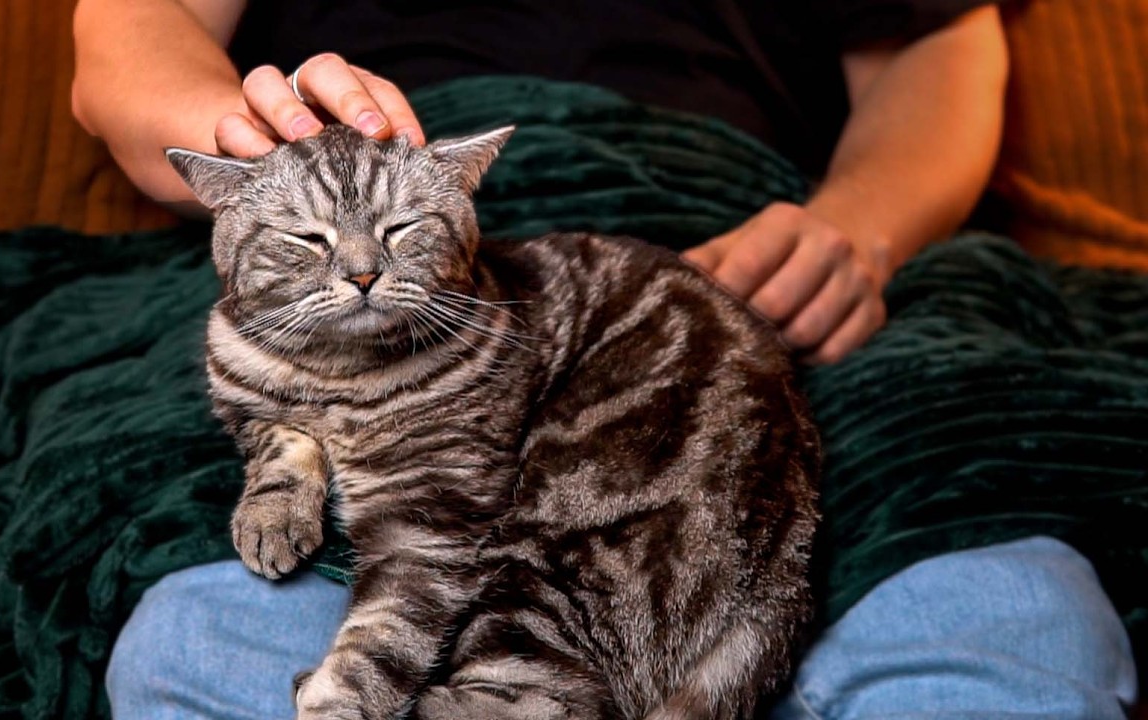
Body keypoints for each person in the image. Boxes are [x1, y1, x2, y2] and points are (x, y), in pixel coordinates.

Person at [71, 1, 1138, 717]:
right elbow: (127, 32)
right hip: (314, 238)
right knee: (200, 641)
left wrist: (858, 231)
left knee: (1011, 612)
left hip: (729, 225)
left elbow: (931, 50)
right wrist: (260, 160)